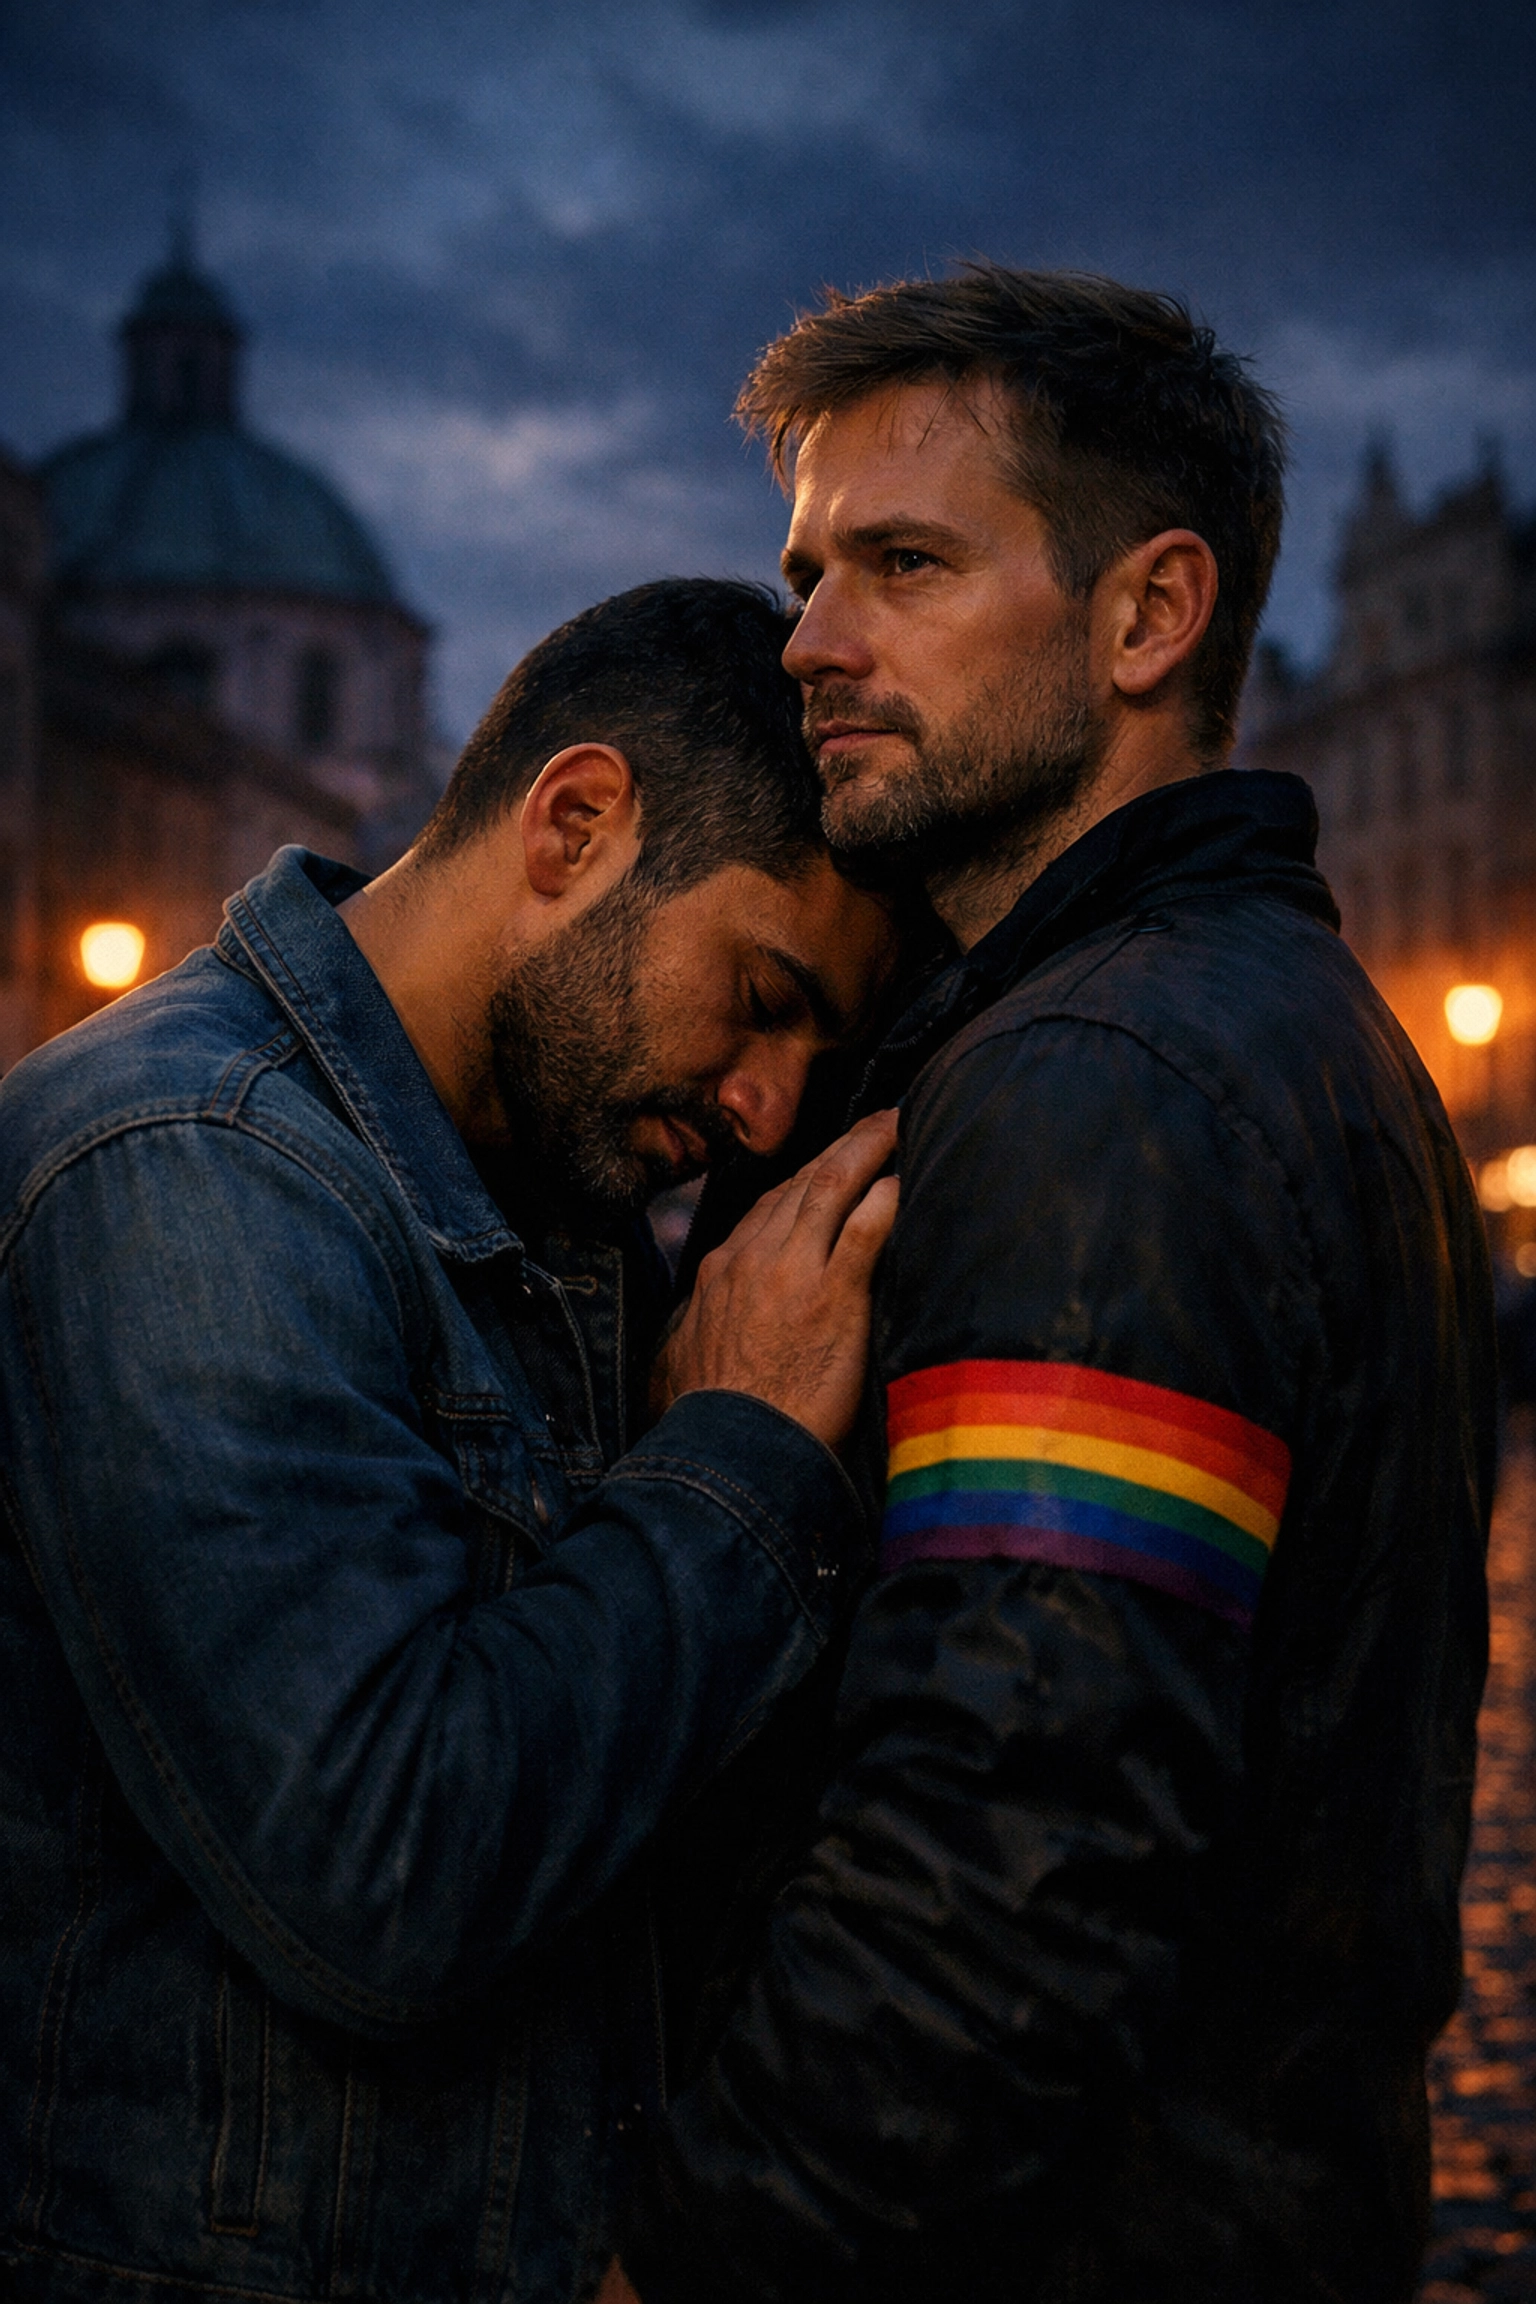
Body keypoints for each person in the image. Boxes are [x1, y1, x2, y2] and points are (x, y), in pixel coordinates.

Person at [622, 271, 1495, 2303]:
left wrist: (673, 2273)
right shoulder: (1262, 1016)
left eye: (903, 564)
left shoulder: (1109, 1077)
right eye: (808, 570)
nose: (813, 642)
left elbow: (1003, 1876)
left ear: (1146, 615)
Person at [0, 577, 903, 2304]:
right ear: (575, 822)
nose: (766, 1106)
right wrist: (735, 1457)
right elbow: (384, 1867)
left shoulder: (539, 1185)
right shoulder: (186, 1165)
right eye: (764, 992)